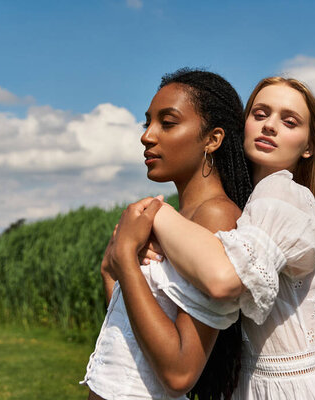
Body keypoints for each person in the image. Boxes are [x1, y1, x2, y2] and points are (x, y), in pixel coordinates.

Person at [133, 77, 315, 399]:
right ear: (244, 126)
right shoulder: (252, 205)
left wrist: (153, 213)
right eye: (260, 114)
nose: (270, 126)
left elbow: (225, 279)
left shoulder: (281, 194)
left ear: (309, 147)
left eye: (289, 121)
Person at [80, 69, 252, 400]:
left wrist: (125, 262)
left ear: (212, 139)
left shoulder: (214, 215)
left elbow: (179, 372)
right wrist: (112, 267)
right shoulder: (174, 217)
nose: (147, 136)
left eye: (167, 123)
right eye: (148, 123)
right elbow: (132, 333)